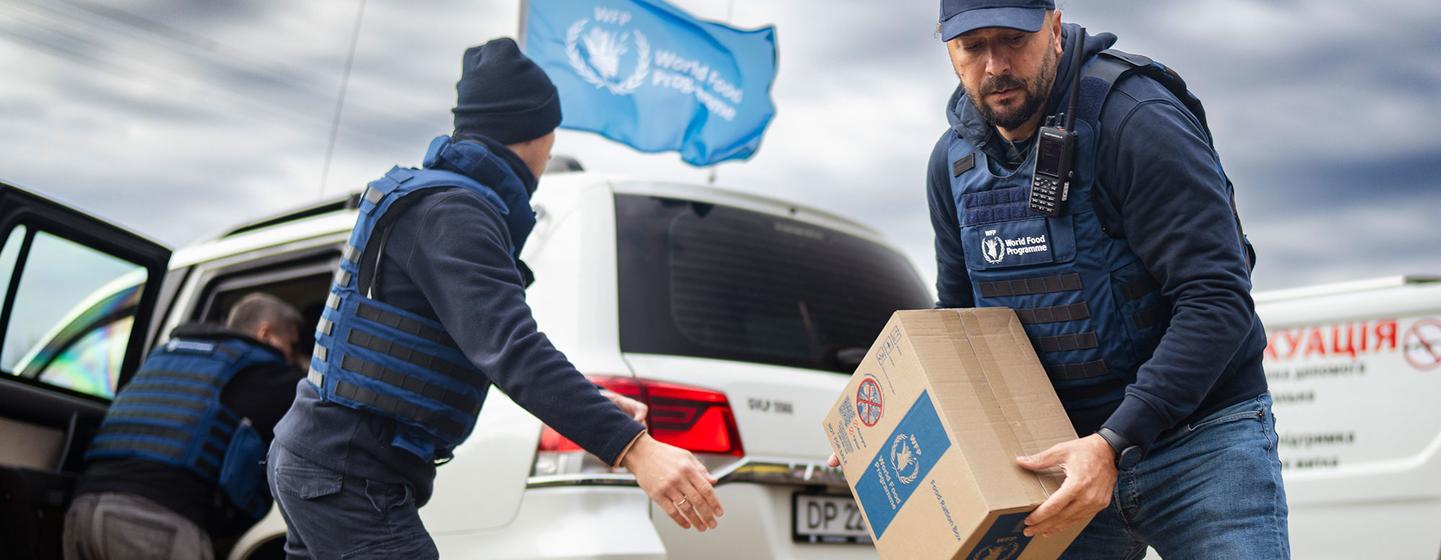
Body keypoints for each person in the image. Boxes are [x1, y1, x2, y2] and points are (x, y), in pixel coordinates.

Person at [266, 37, 723, 559]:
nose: (550, 149)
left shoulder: (441, 203)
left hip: (328, 459)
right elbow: (512, 348)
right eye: (551, 134)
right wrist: (634, 448)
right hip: (349, 471)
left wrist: (594, 407)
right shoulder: (453, 213)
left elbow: (471, 347)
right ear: (535, 132)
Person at [927, 1, 1286, 557]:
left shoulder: (1136, 118)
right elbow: (960, 324)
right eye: (973, 47)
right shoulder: (951, 165)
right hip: (1056, 461)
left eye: (1013, 39)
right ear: (947, 46)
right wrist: (901, 418)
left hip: (1200, 446)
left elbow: (1217, 299)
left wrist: (1114, 443)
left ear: (1053, 26)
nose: (995, 64)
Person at [64, 293, 304, 560]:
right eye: (291, 346)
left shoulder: (164, 357)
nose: (291, 357)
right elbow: (322, 410)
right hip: (151, 523)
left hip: (82, 511)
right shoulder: (267, 373)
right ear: (266, 334)